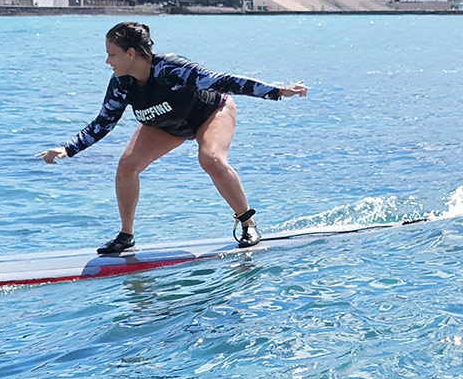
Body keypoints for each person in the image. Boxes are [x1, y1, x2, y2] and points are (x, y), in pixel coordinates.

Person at [39, 22, 308, 253]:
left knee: (211, 159)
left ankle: (248, 223)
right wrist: (67, 149)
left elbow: (223, 81)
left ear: (131, 53)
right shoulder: (122, 83)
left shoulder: (171, 70)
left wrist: (276, 91)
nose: (107, 61)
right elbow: (103, 123)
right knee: (127, 166)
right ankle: (126, 236)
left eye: (111, 54)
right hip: (166, 126)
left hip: (209, 114)